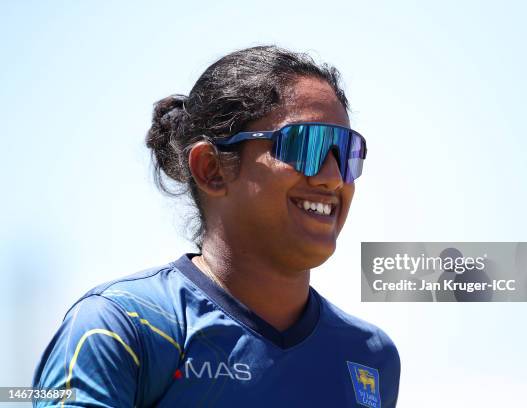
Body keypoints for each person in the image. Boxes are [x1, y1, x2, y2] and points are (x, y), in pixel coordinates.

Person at [33, 45, 401, 407]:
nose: (334, 177)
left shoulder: (371, 357)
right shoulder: (119, 328)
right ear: (211, 168)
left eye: (346, 152)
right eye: (306, 145)